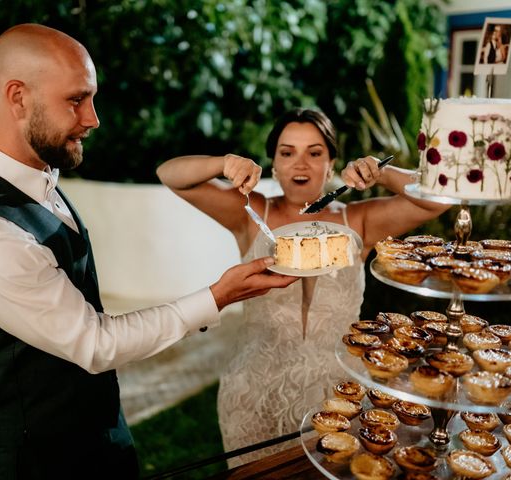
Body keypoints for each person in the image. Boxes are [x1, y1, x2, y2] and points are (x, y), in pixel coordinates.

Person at [0, 24, 298, 480]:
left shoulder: (39, 179)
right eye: (76, 99)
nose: (93, 118)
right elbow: (96, 343)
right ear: (18, 98)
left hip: (99, 441)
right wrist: (217, 296)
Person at [157, 108, 450, 465]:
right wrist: (223, 163)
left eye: (314, 152)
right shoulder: (249, 213)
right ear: (274, 165)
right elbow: (169, 174)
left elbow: (439, 199)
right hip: (253, 393)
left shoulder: (358, 220)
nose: (300, 164)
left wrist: (382, 171)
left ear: (332, 164)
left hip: (338, 398)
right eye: (287, 152)